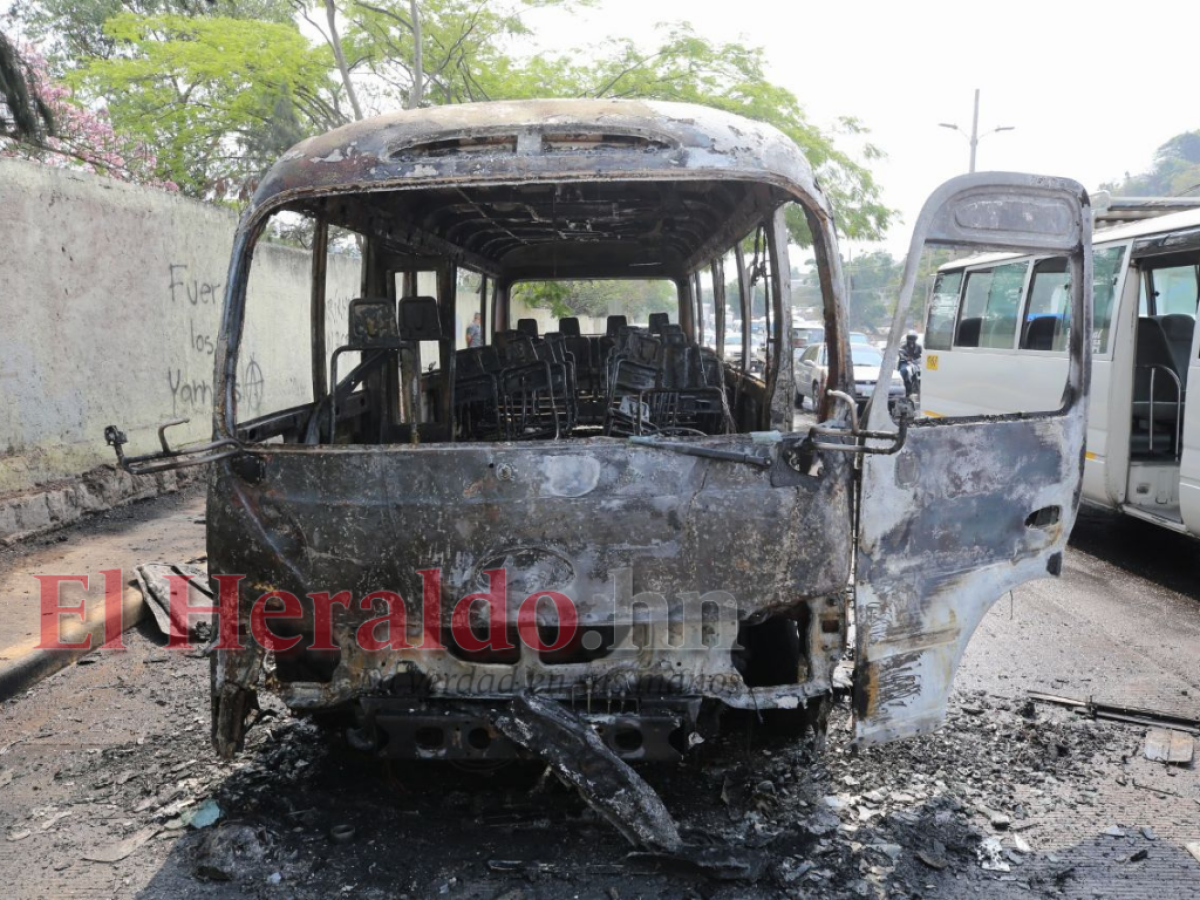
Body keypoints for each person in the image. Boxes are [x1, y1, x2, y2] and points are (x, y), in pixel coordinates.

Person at [898, 331, 922, 397]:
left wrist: (919, 358)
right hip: (905, 363)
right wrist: (906, 358)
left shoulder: (919, 347)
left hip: (916, 363)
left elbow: (922, 354)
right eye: (910, 338)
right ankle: (904, 384)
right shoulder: (903, 347)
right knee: (903, 370)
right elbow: (901, 354)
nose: (911, 340)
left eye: (913, 338)